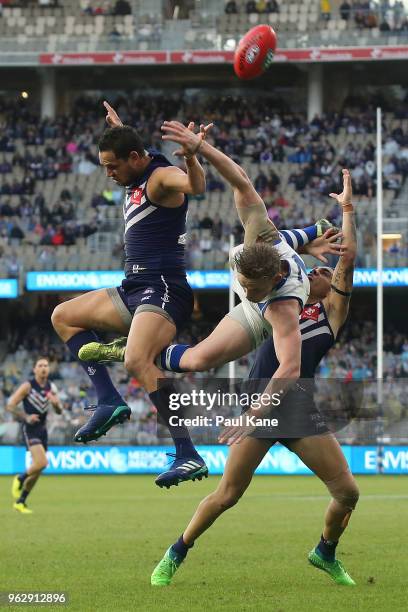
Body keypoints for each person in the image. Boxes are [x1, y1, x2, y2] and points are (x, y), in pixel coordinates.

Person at [81, 122, 344, 485]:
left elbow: (289, 371)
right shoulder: (260, 233)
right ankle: (133, 349)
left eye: (252, 287)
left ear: (273, 279)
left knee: (200, 361)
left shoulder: (283, 309)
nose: (244, 290)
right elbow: (239, 178)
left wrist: (251, 416)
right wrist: (199, 148)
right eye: (242, 283)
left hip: (262, 318)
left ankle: (131, 349)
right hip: (261, 296)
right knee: (196, 359)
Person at [151, 169, 359, 587]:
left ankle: (325, 552)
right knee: (228, 495)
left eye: (325, 274)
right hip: (259, 404)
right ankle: (177, 551)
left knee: (348, 493)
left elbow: (347, 258)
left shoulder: (329, 316)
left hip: (297, 407)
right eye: (318, 270)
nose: (321, 272)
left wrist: (349, 211)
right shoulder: (279, 305)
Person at [51, 102, 209, 487]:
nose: (108, 173)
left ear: (135, 158)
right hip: (133, 289)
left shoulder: (159, 178)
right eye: (104, 165)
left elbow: (196, 186)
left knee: (138, 360)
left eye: (113, 166)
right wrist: (119, 129)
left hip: (164, 288)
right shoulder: (136, 169)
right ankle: (108, 400)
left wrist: (192, 158)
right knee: (63, 316)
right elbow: (133, 150)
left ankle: (188, 454)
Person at [7, 357, 63, 514]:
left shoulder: (52, 387)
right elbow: (10, 405)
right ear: (35, 369)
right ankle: (20, 478)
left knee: (38, 469)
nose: (44, 368)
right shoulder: (28, 386)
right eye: (40, 365)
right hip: (30, 428)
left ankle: (21, 501)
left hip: (42, 430)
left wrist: (55, 404)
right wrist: (26, 417)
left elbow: (60, 411)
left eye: (46, 365)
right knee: (42, 463)